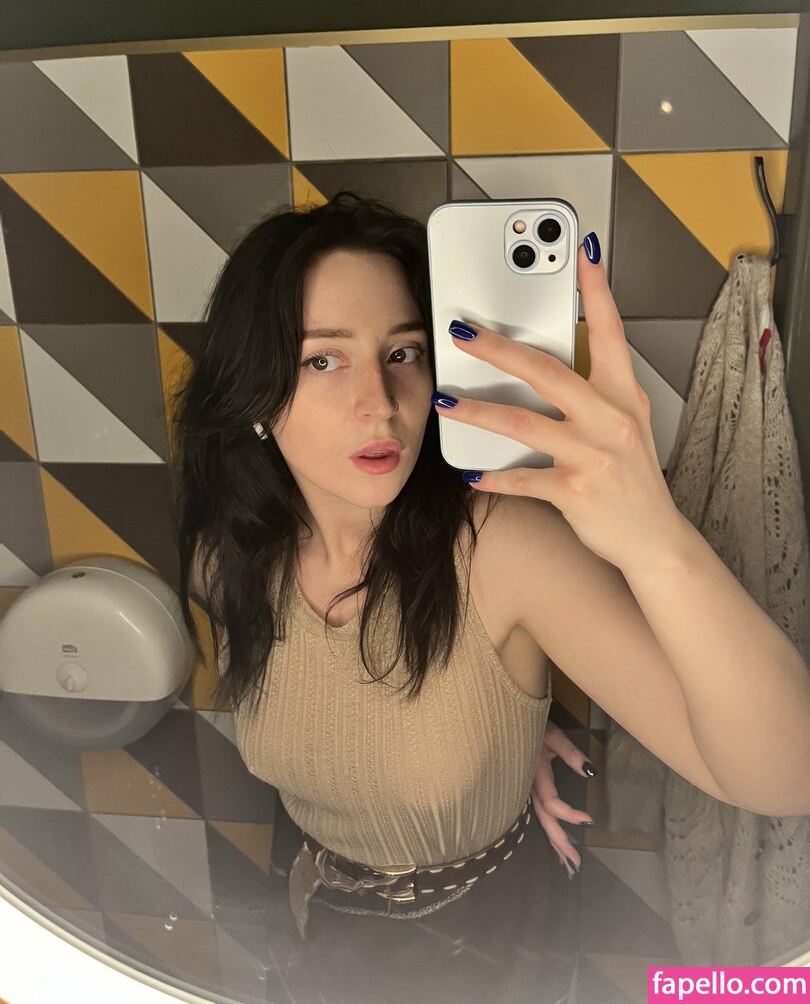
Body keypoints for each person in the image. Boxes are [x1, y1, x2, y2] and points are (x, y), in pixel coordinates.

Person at [172, 191, 810, 1004]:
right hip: (315, 926)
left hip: (493, 945)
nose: (381, 402)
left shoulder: (503, 547)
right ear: (255, 394)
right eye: (323, 360)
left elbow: (786, 776)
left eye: (404, 352)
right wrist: (488, 743)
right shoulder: (225, 561)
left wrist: (657, 543)